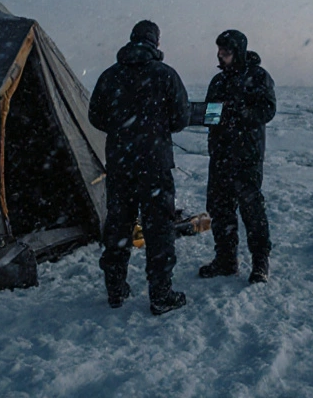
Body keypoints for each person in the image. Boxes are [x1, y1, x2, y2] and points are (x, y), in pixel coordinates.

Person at [88, 20, 191, 315]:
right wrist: (156, 129)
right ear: (155, 43)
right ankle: (160, 294)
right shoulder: (165, 75)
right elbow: (182, 117)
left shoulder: (110, 75)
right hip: (154, 164)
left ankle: (116, 290)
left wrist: (122, 131)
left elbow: (95, 115)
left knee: (119, 224)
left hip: (121, 164)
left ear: (132, 39)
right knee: (158, 228)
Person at [199, 29, 277, 284]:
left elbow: (267, 110)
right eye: (219, 52)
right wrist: (210, 116)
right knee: (220, 210)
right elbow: (210, 117)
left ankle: (260, 262)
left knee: (252, 211)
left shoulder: (258, 77)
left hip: (247, 157)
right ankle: (226, 260)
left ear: (238, 52)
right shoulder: (218, 81)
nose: (221, 57)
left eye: (227, 52)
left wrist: (241, 112)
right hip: (220, 156)